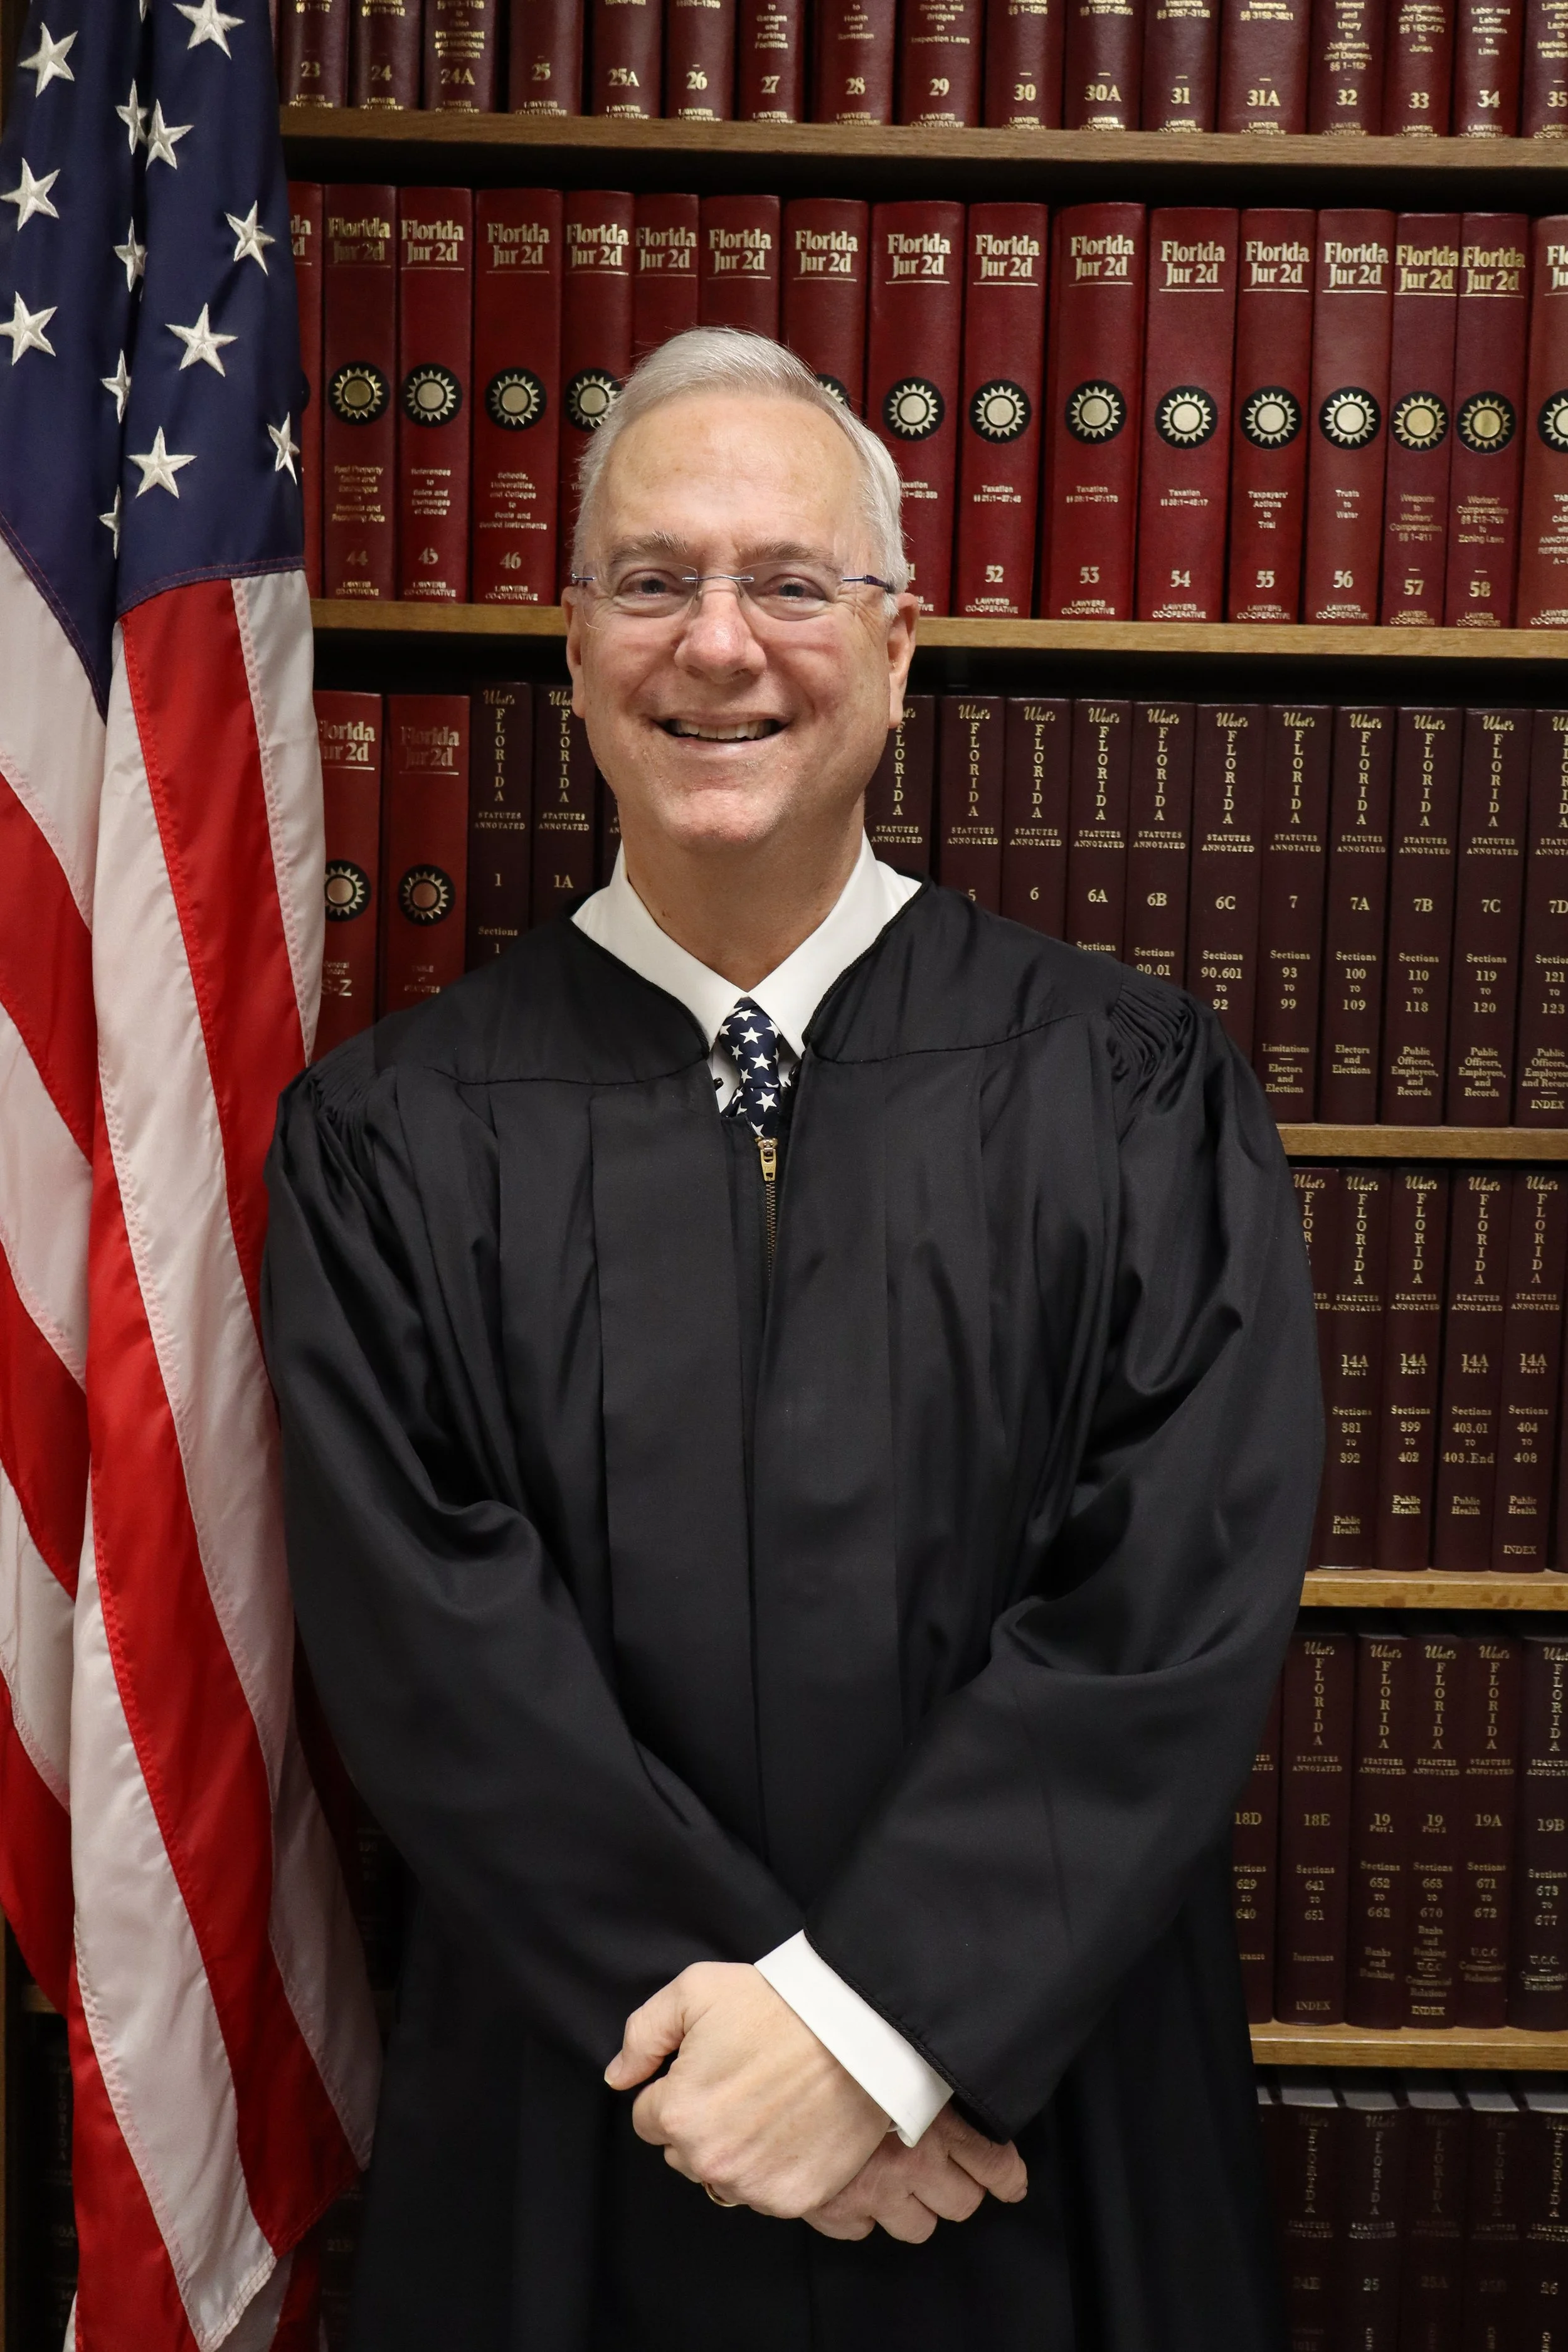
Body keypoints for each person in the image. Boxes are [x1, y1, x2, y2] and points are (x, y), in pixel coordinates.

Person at [262, 327, 1322, 2352]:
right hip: (598, 2105)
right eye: (652, 582)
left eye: (787, 583)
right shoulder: (393, 1135)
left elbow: (1171, 1598)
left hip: (1037, 2112)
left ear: (899, 641)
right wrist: (769, 2052)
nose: (717, 645)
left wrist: (878, 2026)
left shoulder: (1129, 1086)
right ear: (571, 646)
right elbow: (429, 1646)